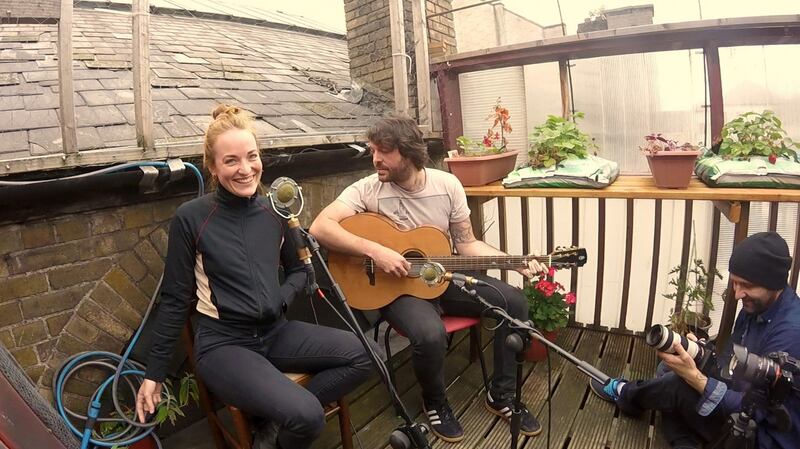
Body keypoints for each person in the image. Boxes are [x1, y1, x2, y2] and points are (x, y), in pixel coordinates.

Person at [135, 105, 372, 449]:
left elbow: (299, 272)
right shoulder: (191, 218)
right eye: (231, 161)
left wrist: (281, 297)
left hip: (277, 333)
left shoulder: (274, 211)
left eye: (252, 156)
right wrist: (154, 374)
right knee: (307, 416)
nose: (246, 169)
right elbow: (174, 300)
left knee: (365, 356)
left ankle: (277, 420)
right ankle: (288, 417)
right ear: (213, 167)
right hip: (224, 345)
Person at [309, 113, 548, 443]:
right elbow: (320, 228)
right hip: (395, 288)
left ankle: (502, 395)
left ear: (407, 152)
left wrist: (513, 261)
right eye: (373, 150)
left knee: (514, 302)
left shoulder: (447, 185)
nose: (375, 158)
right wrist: (376, 252)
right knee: (429, 333)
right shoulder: (367, 189)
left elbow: (466, 243)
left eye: (383, 151)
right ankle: (435, 402)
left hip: (441, 276)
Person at [591, 231, 800, 449]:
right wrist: (701, 354)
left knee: (676, 385)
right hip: (741, 411)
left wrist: (695, 378)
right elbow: (729, 366)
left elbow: (754, 410)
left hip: (760, 435)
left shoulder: (790, 335)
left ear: (773, 282)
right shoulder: (755, 307)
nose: (737, 294)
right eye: (735, 283)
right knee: (668, 367)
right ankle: (684, 442)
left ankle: (626, 393)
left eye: (746, 285)